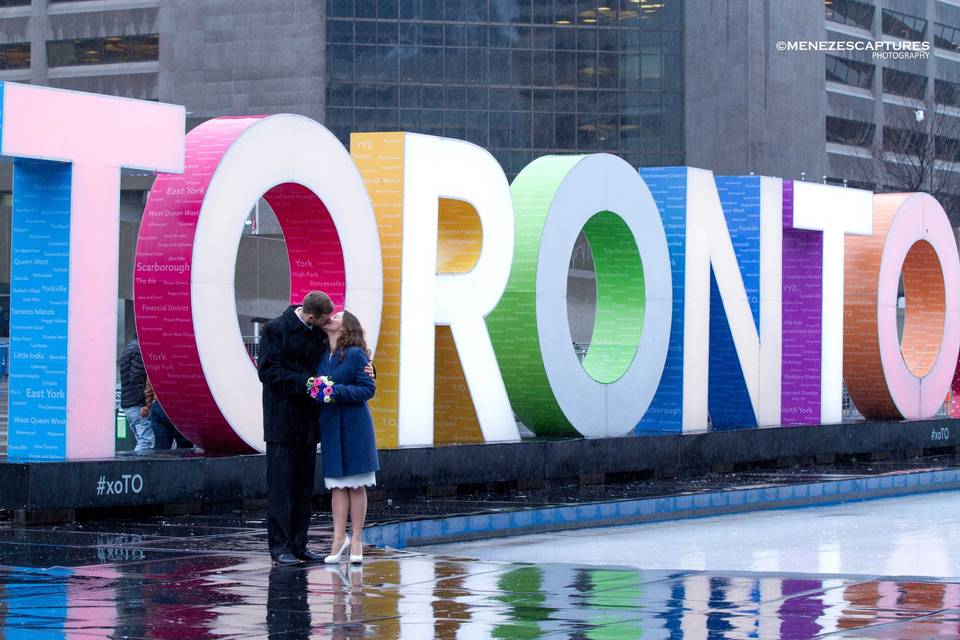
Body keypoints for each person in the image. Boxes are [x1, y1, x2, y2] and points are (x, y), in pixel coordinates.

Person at [258, 291, 334, 566]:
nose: (326, 325)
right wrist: (307, 383)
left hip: (307, 422)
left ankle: (299, 545)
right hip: (281, 422)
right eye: (324, 321)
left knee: (303, 489)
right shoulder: (276, 330)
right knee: (280, 488)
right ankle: (279, 547)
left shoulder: (316, 332)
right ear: (311, 316)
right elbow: (268, 371)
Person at [316, 311, 379, 565]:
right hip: (331, 425)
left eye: (338, 314)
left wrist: (335, 390)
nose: (332, 316)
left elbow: (368, 388)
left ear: (347, 325)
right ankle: (338, 538)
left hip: (354, 426)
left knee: (355, 483)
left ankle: (356, 540)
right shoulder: (322, 355)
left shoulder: (355, 354)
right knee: (337, 485)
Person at [120, 337, 153, 453]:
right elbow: (136, 379)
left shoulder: (129, 347)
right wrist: (143, 403)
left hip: (129, 403)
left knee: (141, 440)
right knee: (146, 442)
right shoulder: (138, 350)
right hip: (136, 404)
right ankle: (140, 468)